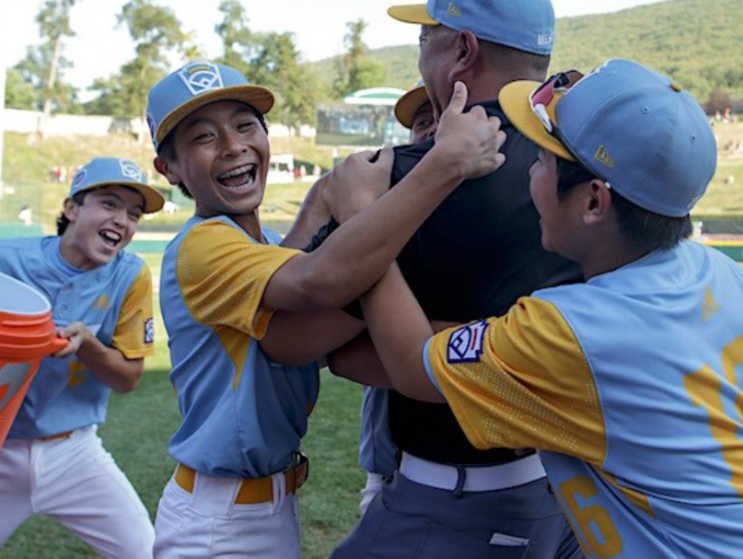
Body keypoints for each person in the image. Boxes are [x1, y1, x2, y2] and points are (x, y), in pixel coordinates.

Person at [356, 58, 743, 559]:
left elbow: (413, 363)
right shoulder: (721, 273)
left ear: (594, 203)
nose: (530, 176)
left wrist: (364, 217)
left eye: (539, 161)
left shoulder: (568, 330)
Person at [146, 60, 505, 559]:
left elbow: (317, 328)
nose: (233, 145)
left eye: (246, 126)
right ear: (169, 169)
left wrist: (324, 199)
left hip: (267, 505)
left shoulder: (264, 244)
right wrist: (441, 168)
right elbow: (321, 280)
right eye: (203, 137)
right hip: (218, 521)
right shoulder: (202, 246)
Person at [327, 1, 584, 557]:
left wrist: (361, 219)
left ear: (462, 51)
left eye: (425, 38)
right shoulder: (586, 172)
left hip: (448, 501)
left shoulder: (400, 179)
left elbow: (288, 335)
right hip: (561, 491)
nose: (420, 53)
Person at [0, 157, 164, 558]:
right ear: (72, 208)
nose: (122, 220)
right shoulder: (7, 258)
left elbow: (128, 379)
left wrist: (89, 345)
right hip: (2, 447)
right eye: (109, 204)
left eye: (133, 214)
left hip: (72, 451)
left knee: (146, 551)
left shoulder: (130, 274)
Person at [357, 79, 437, 516]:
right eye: (421, 123)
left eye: (443, 119)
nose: (431, 132)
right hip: (391, 467)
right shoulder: (382, 222)